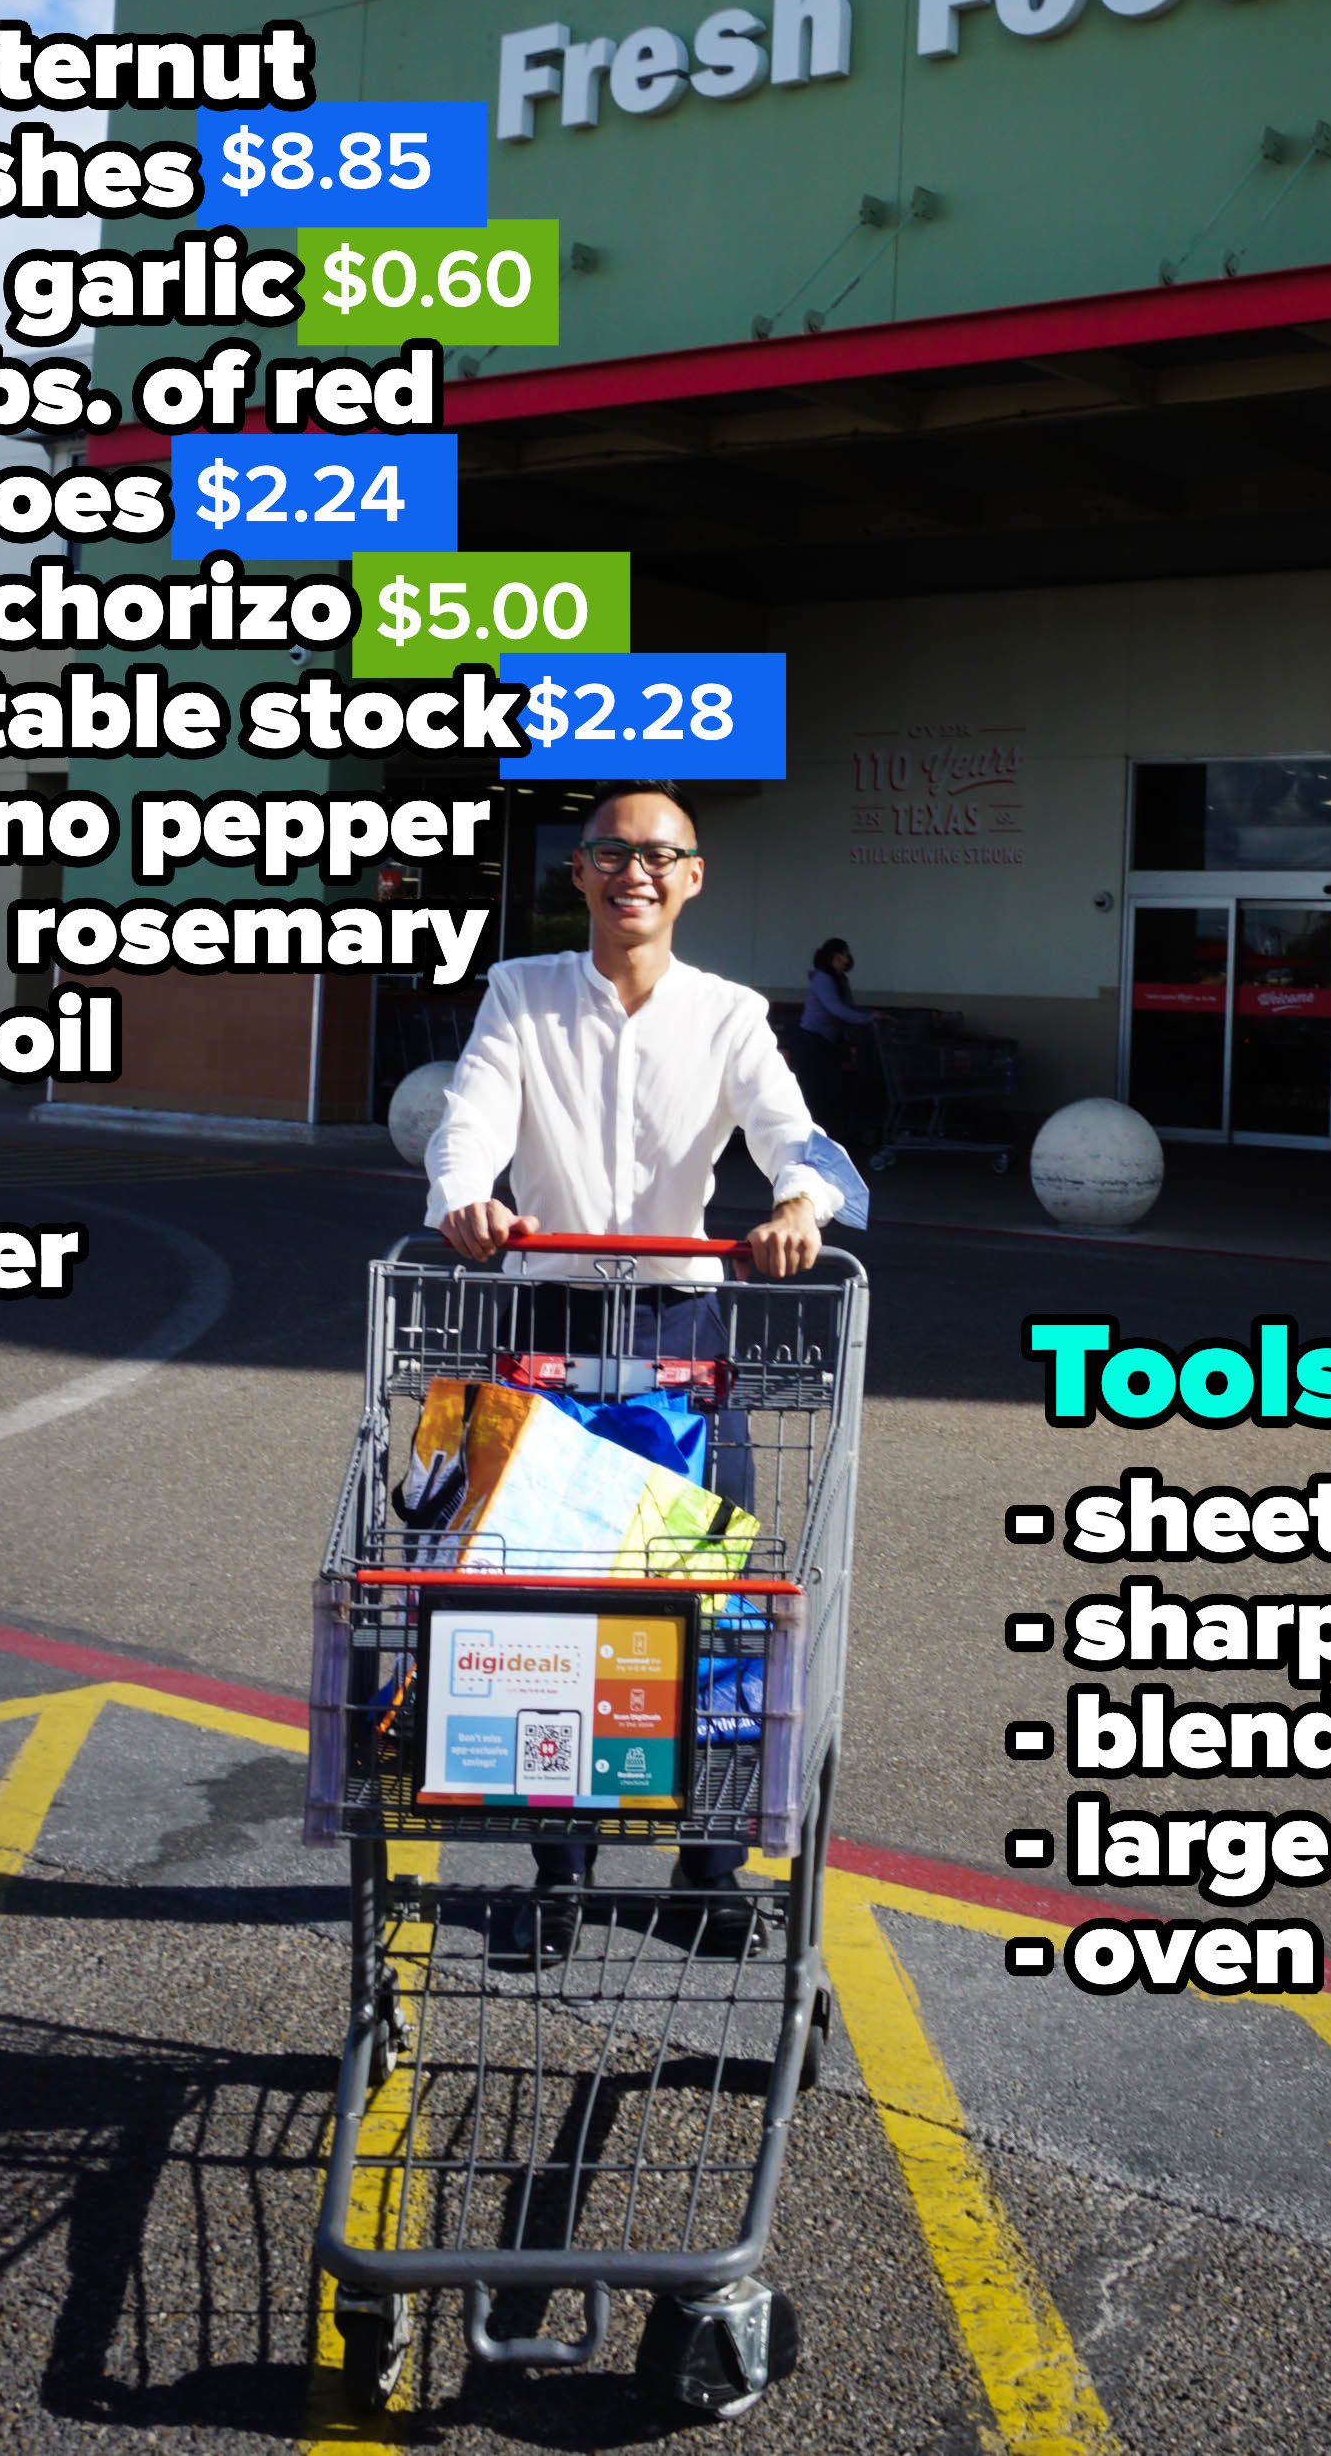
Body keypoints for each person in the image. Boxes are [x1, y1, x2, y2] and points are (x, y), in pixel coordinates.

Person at [425, 782, 843, 1959]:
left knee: (704, 1606)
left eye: (657, 856)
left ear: (692, 877)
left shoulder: (726, 1015)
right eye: (610, 853)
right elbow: (471, 1120)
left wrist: (798, 1206)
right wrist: (463, 1196)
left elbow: (790, 1133)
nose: (633, 874)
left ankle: (703, 1877)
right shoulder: (521, 992)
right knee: (540, 1606)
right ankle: (557, 1878)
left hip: (681, 1331)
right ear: (578, 872)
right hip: (543, 1314)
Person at [795, 936, 881, 1145]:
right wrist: (868, 1017)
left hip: (829, 1041)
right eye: (845, 954)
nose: (847, 959)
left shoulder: (840, 979)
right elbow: (836, 1009)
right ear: (835, 956)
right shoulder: (823, 979)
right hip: (813, 1041)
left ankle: (831, 1135)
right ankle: (812, 1138)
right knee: (817, 1090)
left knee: (832, 1088)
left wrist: (870, 1015)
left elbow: (848, 1007)